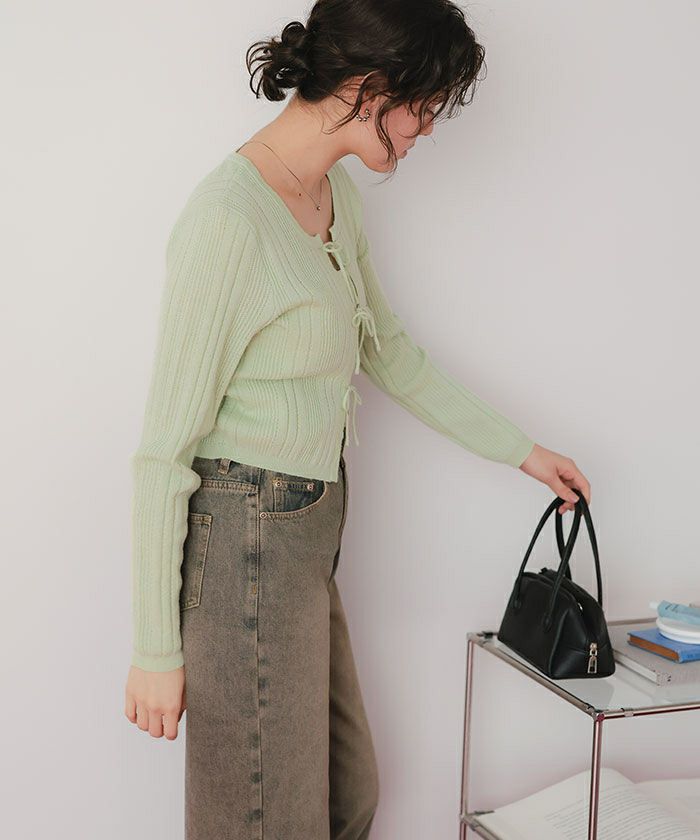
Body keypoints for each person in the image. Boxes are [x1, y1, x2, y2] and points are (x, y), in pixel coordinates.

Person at [124, 1, 591, 837]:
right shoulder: (228, 220)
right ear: (370, 89)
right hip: (246, 539)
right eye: (426, 106)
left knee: (347, 795)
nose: (429, 129)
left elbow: (391, 352)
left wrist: (523, 452)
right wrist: (156, 650)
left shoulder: (332, 194)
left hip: (304, 539)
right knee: (267, 819)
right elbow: (163, 453)